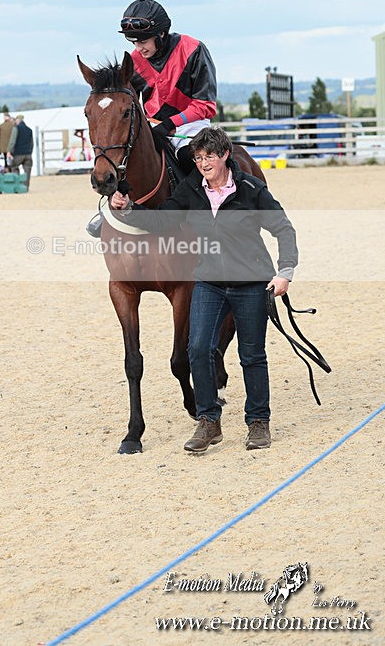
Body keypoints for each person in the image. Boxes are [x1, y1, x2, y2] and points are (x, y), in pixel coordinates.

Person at [110, 127, 298, 453]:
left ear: (224, 155)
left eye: (209, 156)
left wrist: (285, 271)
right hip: (209, 283)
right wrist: (128, 209)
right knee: (197, 350)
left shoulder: (251, 189)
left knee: (251, 355)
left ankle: (257, 423)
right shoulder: (191, 191)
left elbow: (283, 227)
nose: (203, 163)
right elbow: (161, 220)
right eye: (197, 157)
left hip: (250, 282)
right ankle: (209, 420)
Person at [119, 0, 217, 175]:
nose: (138, 48)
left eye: (143, 41)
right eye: (134, 42)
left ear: (161, 34)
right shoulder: (134, 61)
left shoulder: (193, 50)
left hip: (191, 126)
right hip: (153, 128)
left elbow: (205, 106)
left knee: (191, 160)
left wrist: (169, 123)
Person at [7, 114, 34, 190]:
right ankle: (25, 187)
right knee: (27, 170)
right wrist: (30, 152)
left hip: (18, 154)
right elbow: (32, 143)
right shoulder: (29, 130)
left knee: (14, 167)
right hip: (28, 154)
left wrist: (9, 151)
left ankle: (17, 186)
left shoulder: (16, 129)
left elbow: (12, 141)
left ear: (18, 120)